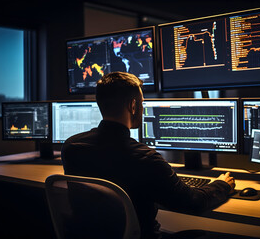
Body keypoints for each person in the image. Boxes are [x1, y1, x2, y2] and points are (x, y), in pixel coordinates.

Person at [61, 72, 239, 239]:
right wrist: (221, 185)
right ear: (133, 105)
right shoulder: (145, 158)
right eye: (142, 102)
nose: (143, 107)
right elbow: (193, 203)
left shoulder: (71, 147)